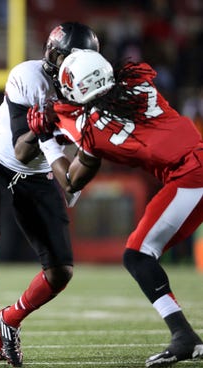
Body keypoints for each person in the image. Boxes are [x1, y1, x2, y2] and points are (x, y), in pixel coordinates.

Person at [27, 49, 203, 367]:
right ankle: (184, 336)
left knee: (137, 254)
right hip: (194, 165)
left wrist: (46, 138)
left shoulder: (91, 132)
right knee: (141, 253)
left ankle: (184, 336)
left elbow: (70, 183)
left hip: (191, 173)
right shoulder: (138, 85)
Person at [0, 22, 99, 367]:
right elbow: (22, 150)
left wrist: (74, 152)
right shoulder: (29, 76)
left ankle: (8, 320)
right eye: (62, 56)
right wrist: (49, 125)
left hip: (40, 177)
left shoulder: (95, 96)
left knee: (61, 273)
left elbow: (74, 176)